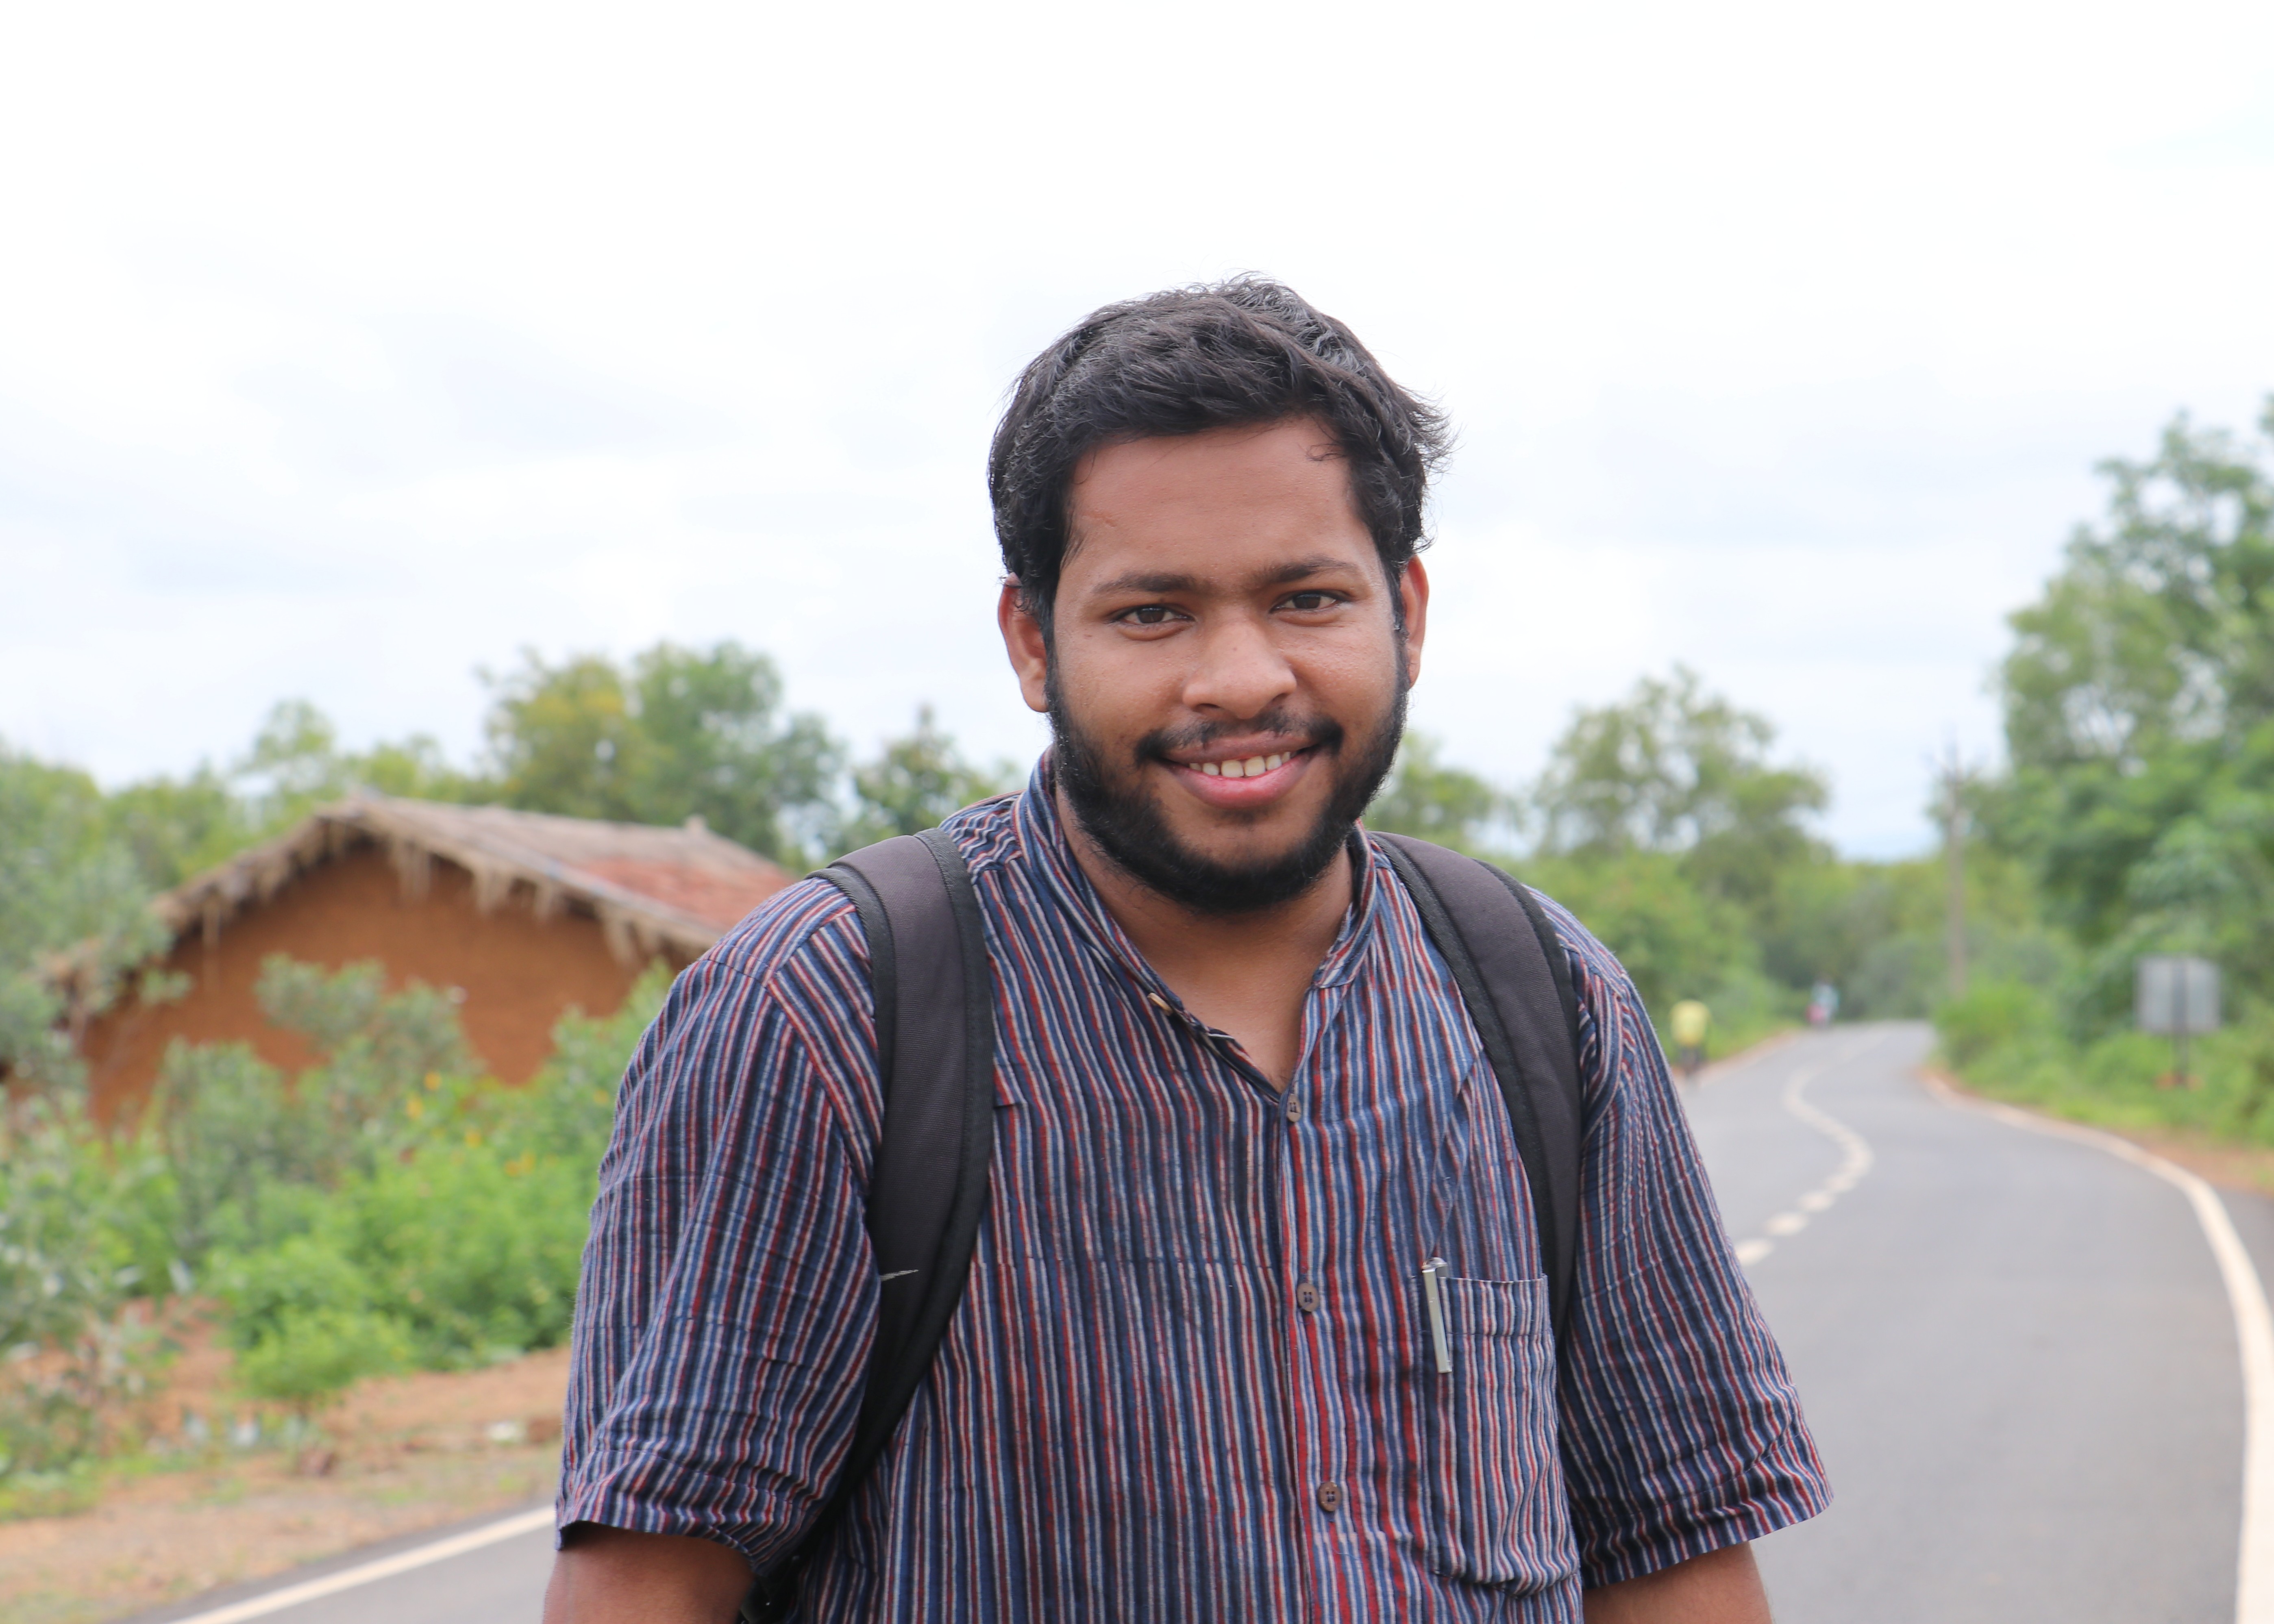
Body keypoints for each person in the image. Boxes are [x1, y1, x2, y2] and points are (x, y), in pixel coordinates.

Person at [543, 280, 1827, 1624]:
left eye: (1306, 598)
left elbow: (1672, 1559)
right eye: (1152, 613)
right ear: (1033, 640)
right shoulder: (826, 1014)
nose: (1238, 678)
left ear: (1408, 614)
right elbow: (642, 1585)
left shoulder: (1545, 1003)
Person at [1668, 998, 1711, 1081]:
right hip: (1697, 1035)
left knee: (1683, 1052)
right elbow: (1708, 1022)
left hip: (1681, 1036)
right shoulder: (1700, 1007)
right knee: (1697, 1051)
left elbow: (1671, 1019)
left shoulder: (1678, 1007)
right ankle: (1697, 1066)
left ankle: (1685, 1069)